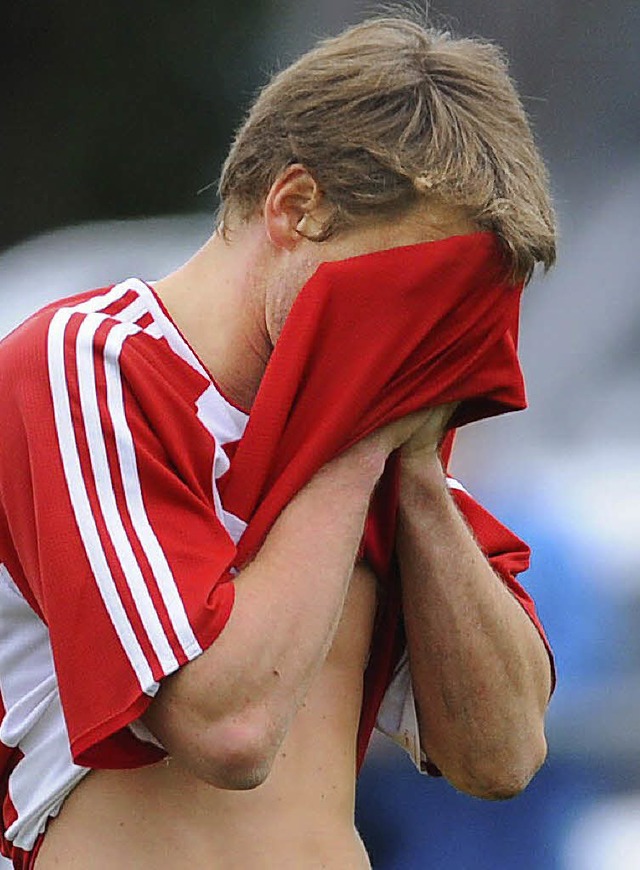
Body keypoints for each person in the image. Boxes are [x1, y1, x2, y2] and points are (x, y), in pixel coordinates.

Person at [0, 11, 556, 869]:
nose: (426, 345)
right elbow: (229, 730)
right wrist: (356, 441)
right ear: (295, 207)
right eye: (414, 298)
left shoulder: (383, 435)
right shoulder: (89, 365)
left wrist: (412, 474)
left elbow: (503, 754)